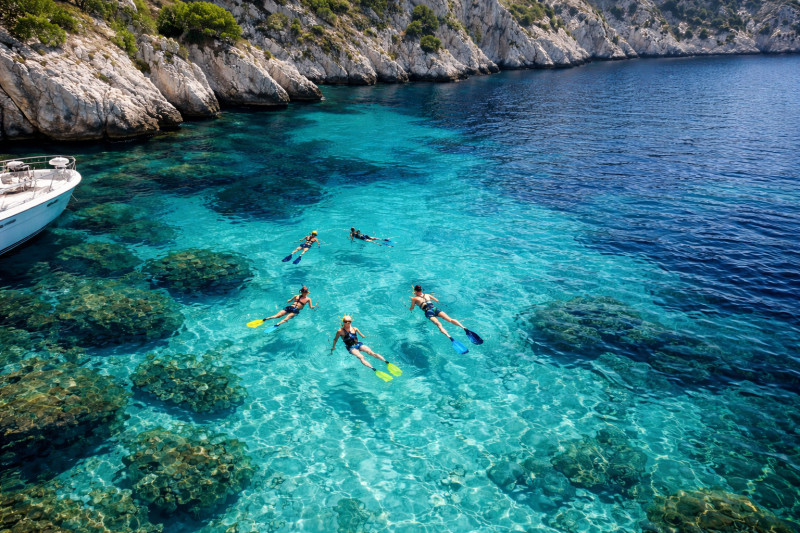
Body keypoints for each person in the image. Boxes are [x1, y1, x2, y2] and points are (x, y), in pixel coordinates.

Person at [410, 285, 481, 349]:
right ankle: (464, 328)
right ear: (421, 290)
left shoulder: (414, 298)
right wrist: (431, 296)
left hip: (428, 312)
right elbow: (437, 300)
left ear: (415, 291)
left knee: (438, 324)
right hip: (435, 309)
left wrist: (410, 308)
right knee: (450, 319)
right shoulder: (427, 295)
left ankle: (449, 337)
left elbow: (412, 308)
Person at [331, 315, 400, 380]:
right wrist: (333, 347)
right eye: (346, 322)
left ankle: (386, 362)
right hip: (351, 347)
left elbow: (362, 335)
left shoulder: (355, 328)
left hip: (358, 344)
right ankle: (373, 369)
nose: (348, 323)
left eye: (349, 321)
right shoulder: (340, 331)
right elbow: (335, 339)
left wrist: (366, 336)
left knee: (371, 352)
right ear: (343, 322)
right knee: (361, 357)